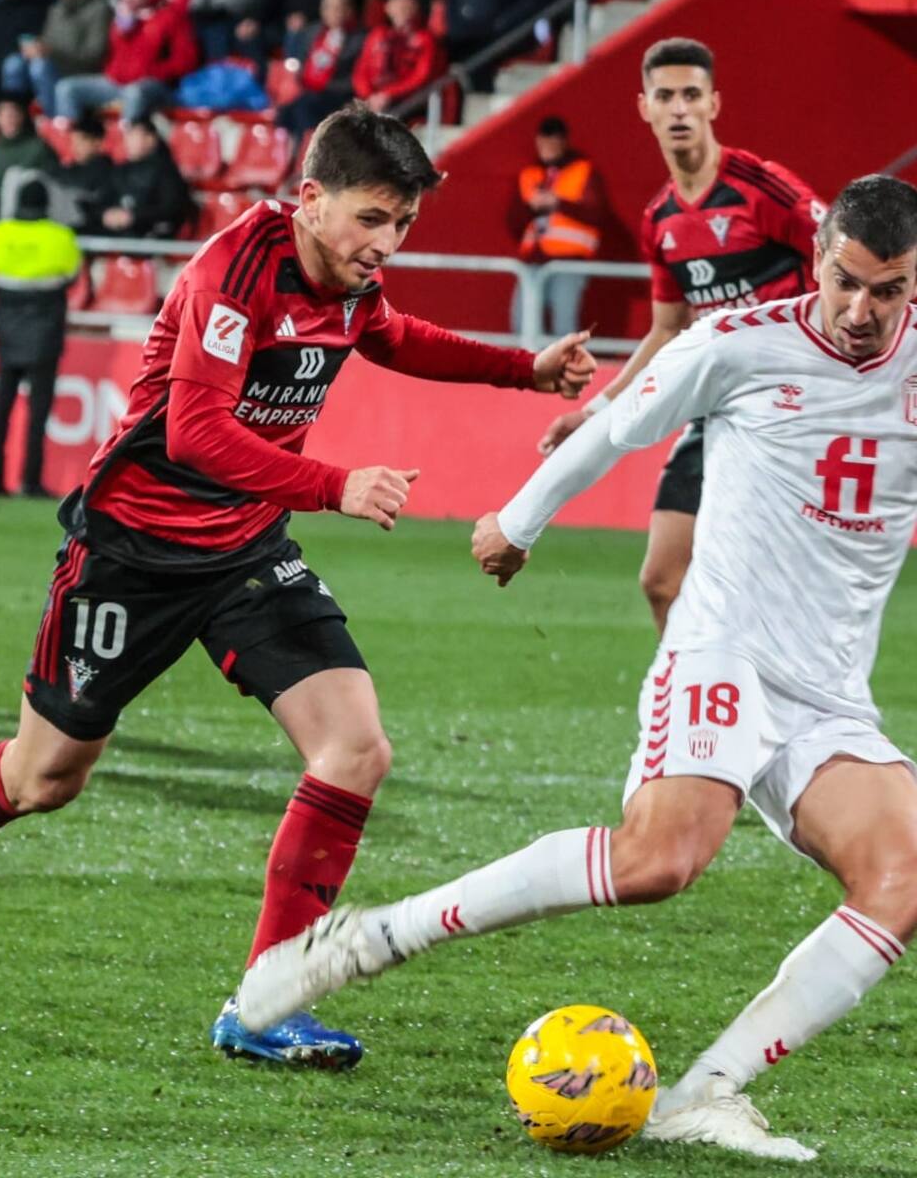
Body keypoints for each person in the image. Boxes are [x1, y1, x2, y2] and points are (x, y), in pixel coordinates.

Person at [0, 102, 595, 1072]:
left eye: (403, 227)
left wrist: (526, 369)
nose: (386, 245)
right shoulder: (235, 272)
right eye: (372, 220)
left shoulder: (349, 280)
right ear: (309, 199)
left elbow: (393, 337)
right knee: (44, 777)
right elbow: (196, 436)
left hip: (245, 550)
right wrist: (335, 483)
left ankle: (266, 1003)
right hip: (132, 551)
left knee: (354, 747)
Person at [237, 174, 917, 1159]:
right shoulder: (739, 345)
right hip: (724, 646)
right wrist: (518, 521)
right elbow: (615, 426)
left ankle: (706, 1090)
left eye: (887, 291)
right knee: (659, 864)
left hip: (829, 690)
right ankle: (374, 936)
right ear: (817, 256)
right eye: (846, 282)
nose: (860, 312)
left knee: (898, 879)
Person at [536, 39, 825, 635]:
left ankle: (774, 718)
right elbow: (667, 330)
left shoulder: (761, 189)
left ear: (714, 103)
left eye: (691, 95)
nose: (679, 110)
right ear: (644, 107)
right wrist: (593, 412)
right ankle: (693, 722)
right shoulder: (660, 220)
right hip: (717, 412)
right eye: (665, 96)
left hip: (788, 417)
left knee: (763, 586)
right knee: (662, 580)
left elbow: (844, 258)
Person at [0, 179, 81, 497]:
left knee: (2, 406)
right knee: (38, 412)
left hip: (7, 329)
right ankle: (30, 480)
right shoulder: (61, 237)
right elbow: (72, 274)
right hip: (45, 330)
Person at [509, 115, 606, 339]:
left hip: (569, 261)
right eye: (543, 142)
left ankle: (564, 371)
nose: (547, 148)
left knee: (564, 326)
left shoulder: (583, 171)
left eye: (552, 142)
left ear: (563, 142)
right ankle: (528, 370)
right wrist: (531, 207)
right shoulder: (529, 174)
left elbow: (597, 213)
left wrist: (558, 203)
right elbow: (513, 222)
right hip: (533, 260)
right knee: (521, 322)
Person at [53, 0, 197, 127]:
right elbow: (113, 52)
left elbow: (186, 60)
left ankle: (128, 142)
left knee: (134, 93)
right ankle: (70, 141)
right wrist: (123, 28)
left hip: (153, 85)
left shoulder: (171, 16)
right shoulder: (124, 13)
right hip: (117, 81)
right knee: (67, 89)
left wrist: (153, 72)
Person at [276, 0, 365, 144]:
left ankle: (311, 152)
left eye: (339, 7)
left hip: (339, 95)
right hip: (311, 92)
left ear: (349, 10)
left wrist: (323, 86)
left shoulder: (359, 38)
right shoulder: (312, 32)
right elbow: (302, 66)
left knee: (305, 107)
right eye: (329, 7)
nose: (333, 12)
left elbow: (355, 78)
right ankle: (287, 158)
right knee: (285, 112)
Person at [100, 117, 194, 239]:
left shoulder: (167, 171)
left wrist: (133, 216)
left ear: (151, 139)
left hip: (151, 235)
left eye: (135, 135)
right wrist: (106, 214)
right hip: (118, 233)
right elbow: (104, 198)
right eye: (129, 135)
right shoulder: (120, 170)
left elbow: (171, 209)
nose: (130, 140)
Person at [350, 0, 440, 115]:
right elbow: (361, 70)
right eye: (397, 7)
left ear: (416, 9)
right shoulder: (377, 35)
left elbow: (420, 76)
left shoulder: (425, 39)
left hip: (406, 100)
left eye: (406, 7)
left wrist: (388, 94)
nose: (402, 12)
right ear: (388, 10)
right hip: (372, 98)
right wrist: (369, 95)